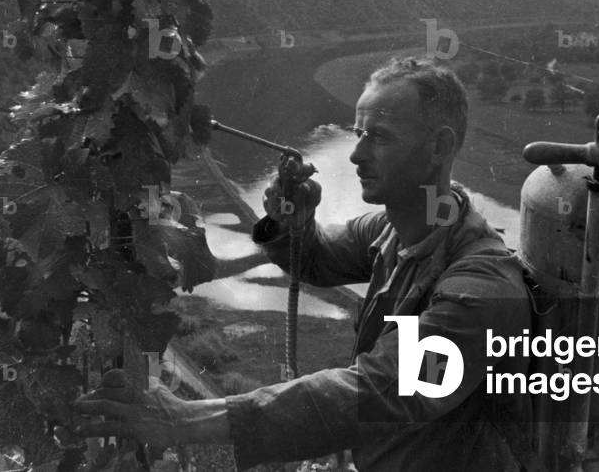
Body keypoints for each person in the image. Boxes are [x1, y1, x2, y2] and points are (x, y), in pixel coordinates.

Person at [74, 57, 538, 471]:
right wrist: (290, 224)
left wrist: (188, 419)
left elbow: (380, 389)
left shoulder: (484, 289)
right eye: (358, 135)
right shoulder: (391, 232)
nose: (356, 155)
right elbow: (316, 259)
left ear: (438, 147)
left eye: (379, 137)